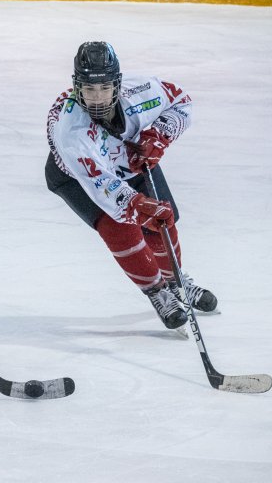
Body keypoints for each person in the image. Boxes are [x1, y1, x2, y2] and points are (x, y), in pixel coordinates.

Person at [44, 41, 218, 334]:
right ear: (77, 87)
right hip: (78, 178)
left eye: (104, 89)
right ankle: (157, 291)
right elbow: (102, 185)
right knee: (120, 227)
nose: (97, 98)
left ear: (118, 84)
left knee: (164, 219)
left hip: (129, 158)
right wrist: (136, 205)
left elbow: (182, 101)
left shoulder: (141, 91)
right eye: (89, 90)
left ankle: (175, 281)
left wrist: (158, 136)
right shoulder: (70, 129)